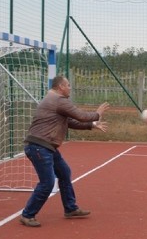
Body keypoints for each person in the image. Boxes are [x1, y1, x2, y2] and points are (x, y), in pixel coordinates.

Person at [19, 75, 109, 227]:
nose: (70, 87)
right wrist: (97, 113)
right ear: (60, 86)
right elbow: (80, 116)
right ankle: (27, 215)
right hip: (39, 146)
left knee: (64, 173)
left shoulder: (53, 100)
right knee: (47, 183)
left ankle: (70, 208)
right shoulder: (58, 100)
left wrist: (92, 125)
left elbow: (70, 122)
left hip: (47, 147)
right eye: (68, 85)